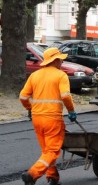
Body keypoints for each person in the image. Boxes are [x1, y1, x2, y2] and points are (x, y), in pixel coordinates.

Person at [19, 48, 77, 185]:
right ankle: (32, 174)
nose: (62, 61)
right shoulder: (61, 75)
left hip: (37, 118)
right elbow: (66, 96)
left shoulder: (35, 75)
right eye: (61, 59)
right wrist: (71, 111)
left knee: (47, 150)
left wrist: (30, 107)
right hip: (52, 118)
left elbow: (22, 97)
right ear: (56, 60)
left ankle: (53, 177)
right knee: (52, 150)